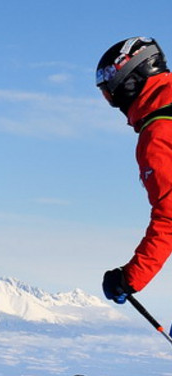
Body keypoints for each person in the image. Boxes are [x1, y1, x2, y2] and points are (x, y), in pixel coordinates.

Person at [98, 37, 172, 304]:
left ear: (131, 79)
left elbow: (170, 219)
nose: (111, 100)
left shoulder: (159, 134)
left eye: (109, 90)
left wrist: (129, 280)